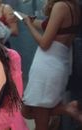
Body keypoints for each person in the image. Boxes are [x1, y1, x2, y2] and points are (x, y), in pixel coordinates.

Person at [20, 0, 81, 130]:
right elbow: (49, 27)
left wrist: (29, 26)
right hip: (57, 63)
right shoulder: (73, 6)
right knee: (26, 110)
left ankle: (68, 108)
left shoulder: (60, 6)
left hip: (48, 66)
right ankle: (67, 109)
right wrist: (29, 21)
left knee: (40, 123)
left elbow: (44, 43)